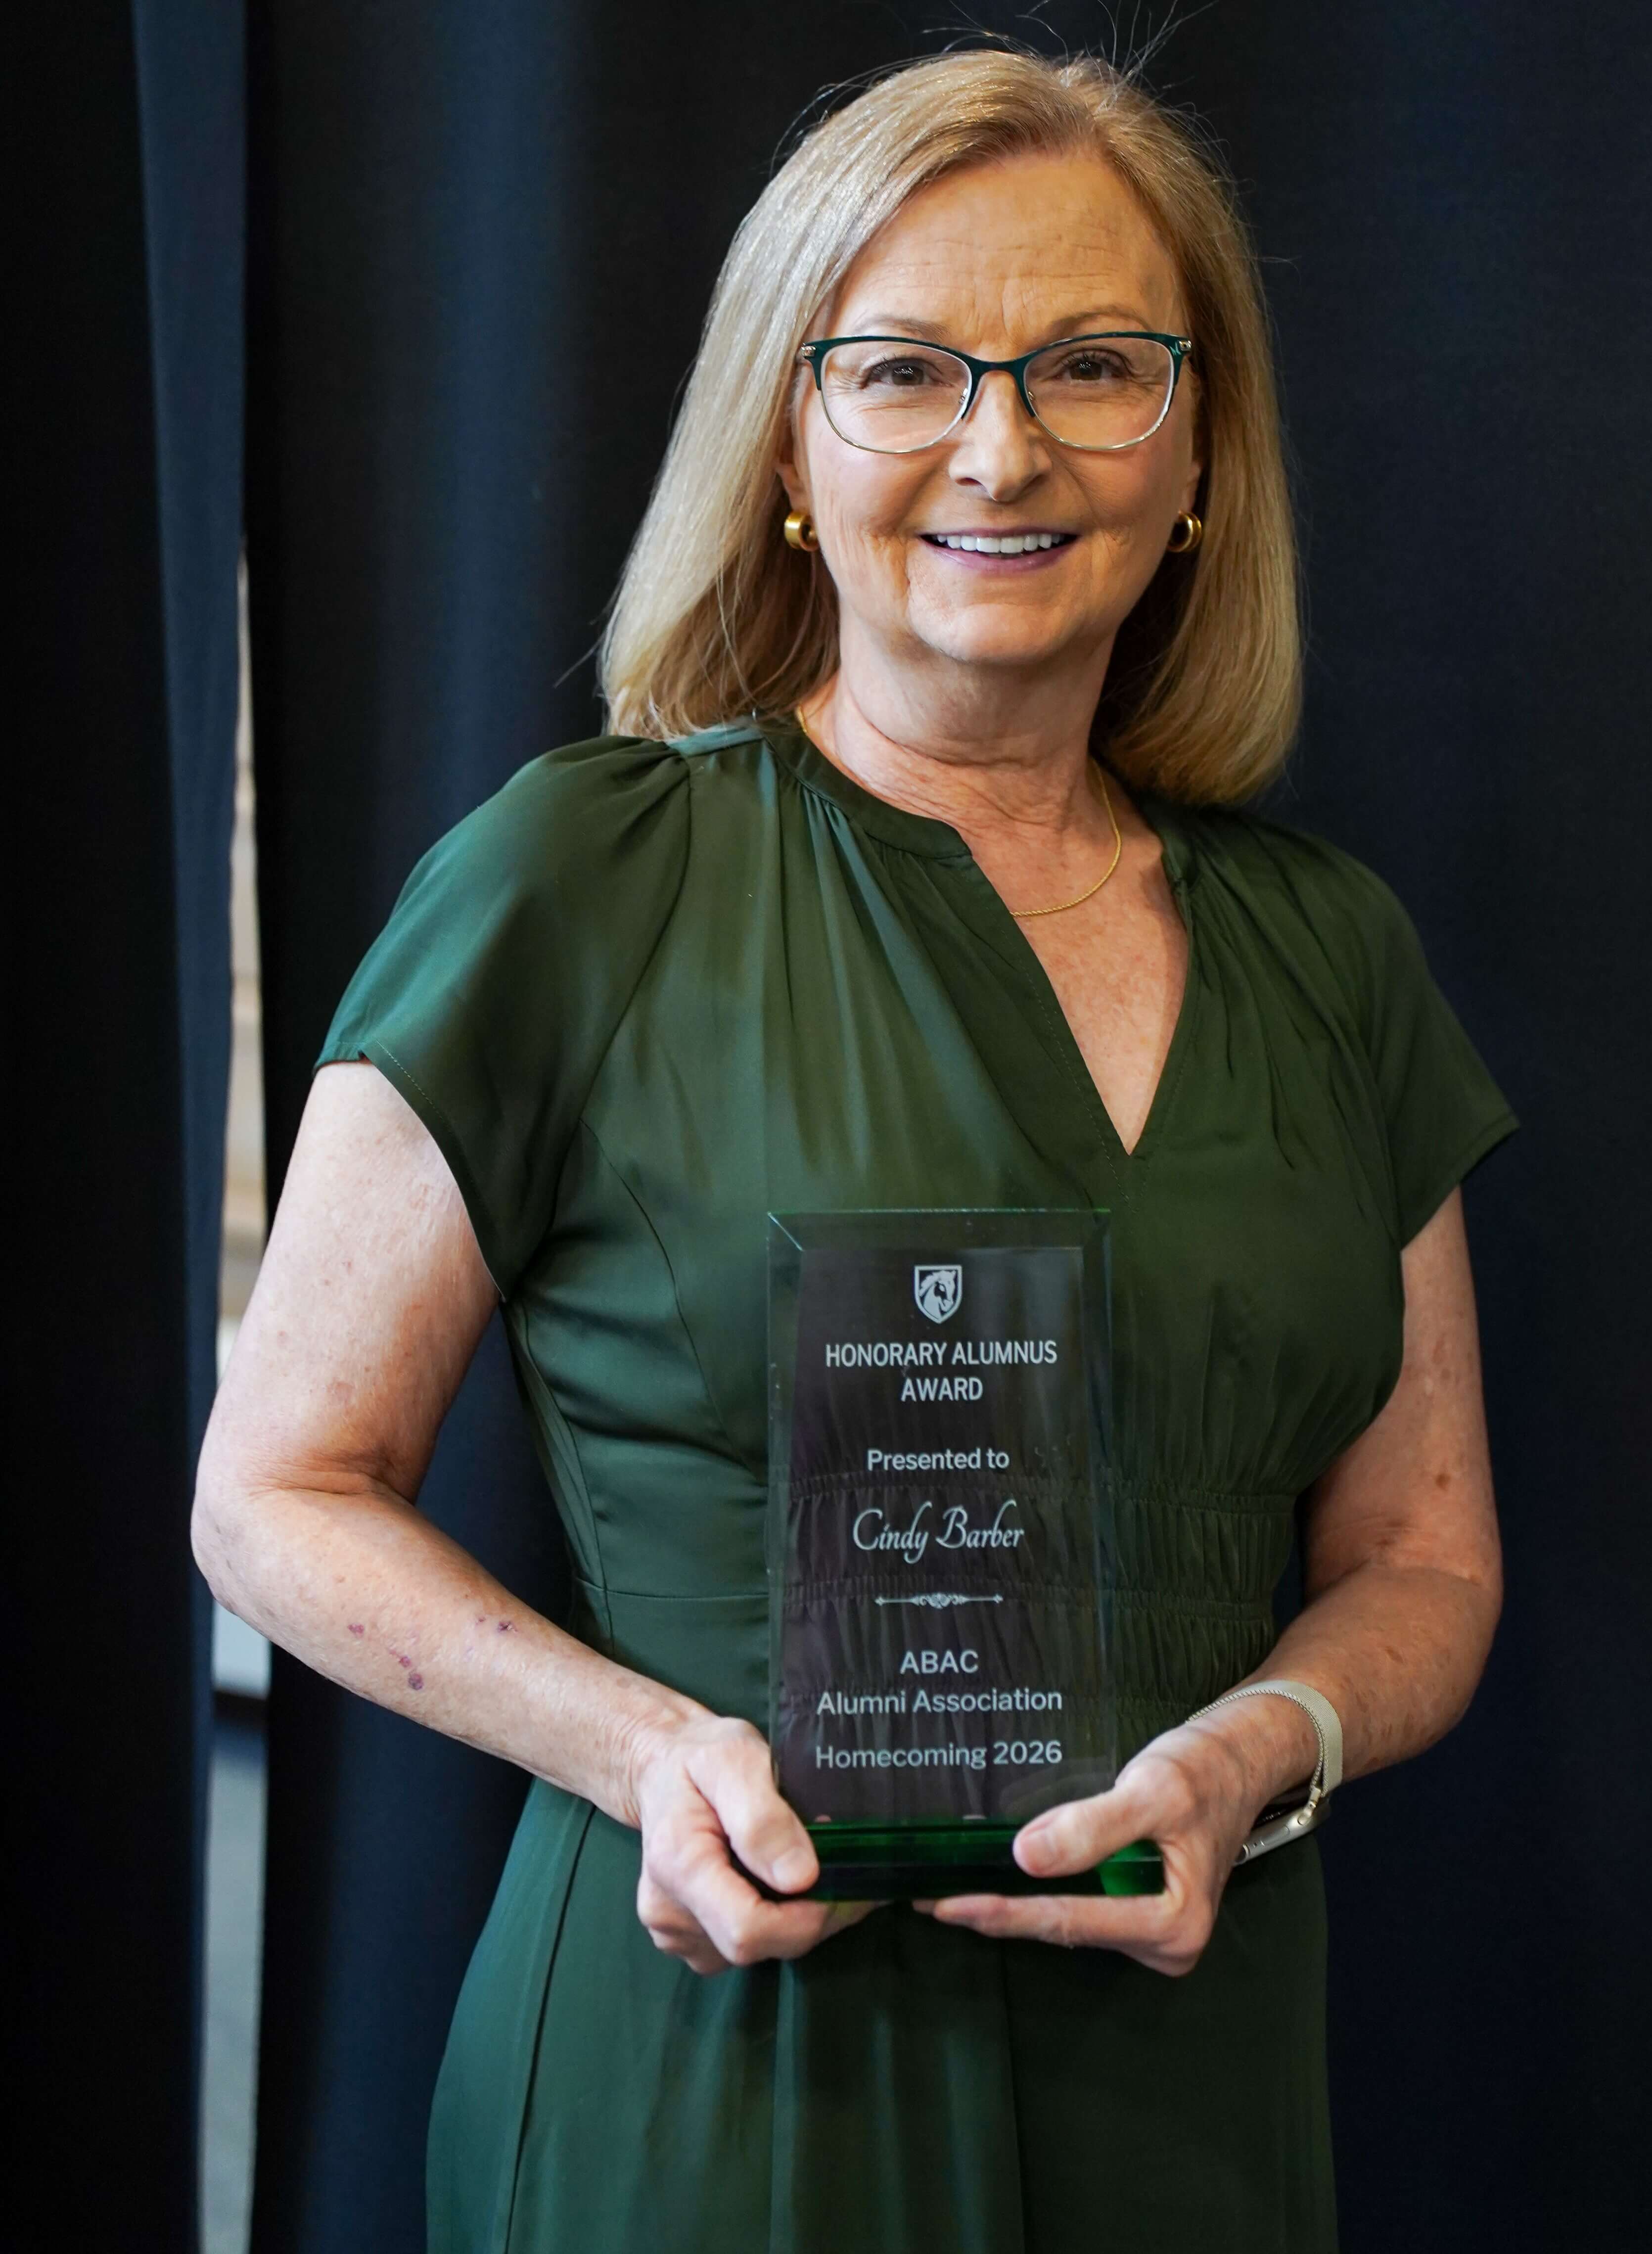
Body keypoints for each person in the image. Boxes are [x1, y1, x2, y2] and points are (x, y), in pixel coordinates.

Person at [194, 44, 1517, 2254]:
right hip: (718, 2061)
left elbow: (1430, 1559)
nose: (1003, 446)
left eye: (1098, 366)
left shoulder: (1328, 953)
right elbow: (274, 1495)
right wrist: (645, 1756)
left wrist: (1260, 1748)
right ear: (788, 444)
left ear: (1195, 454)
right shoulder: (575, 884)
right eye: (904, 368)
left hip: (1185, 2060)